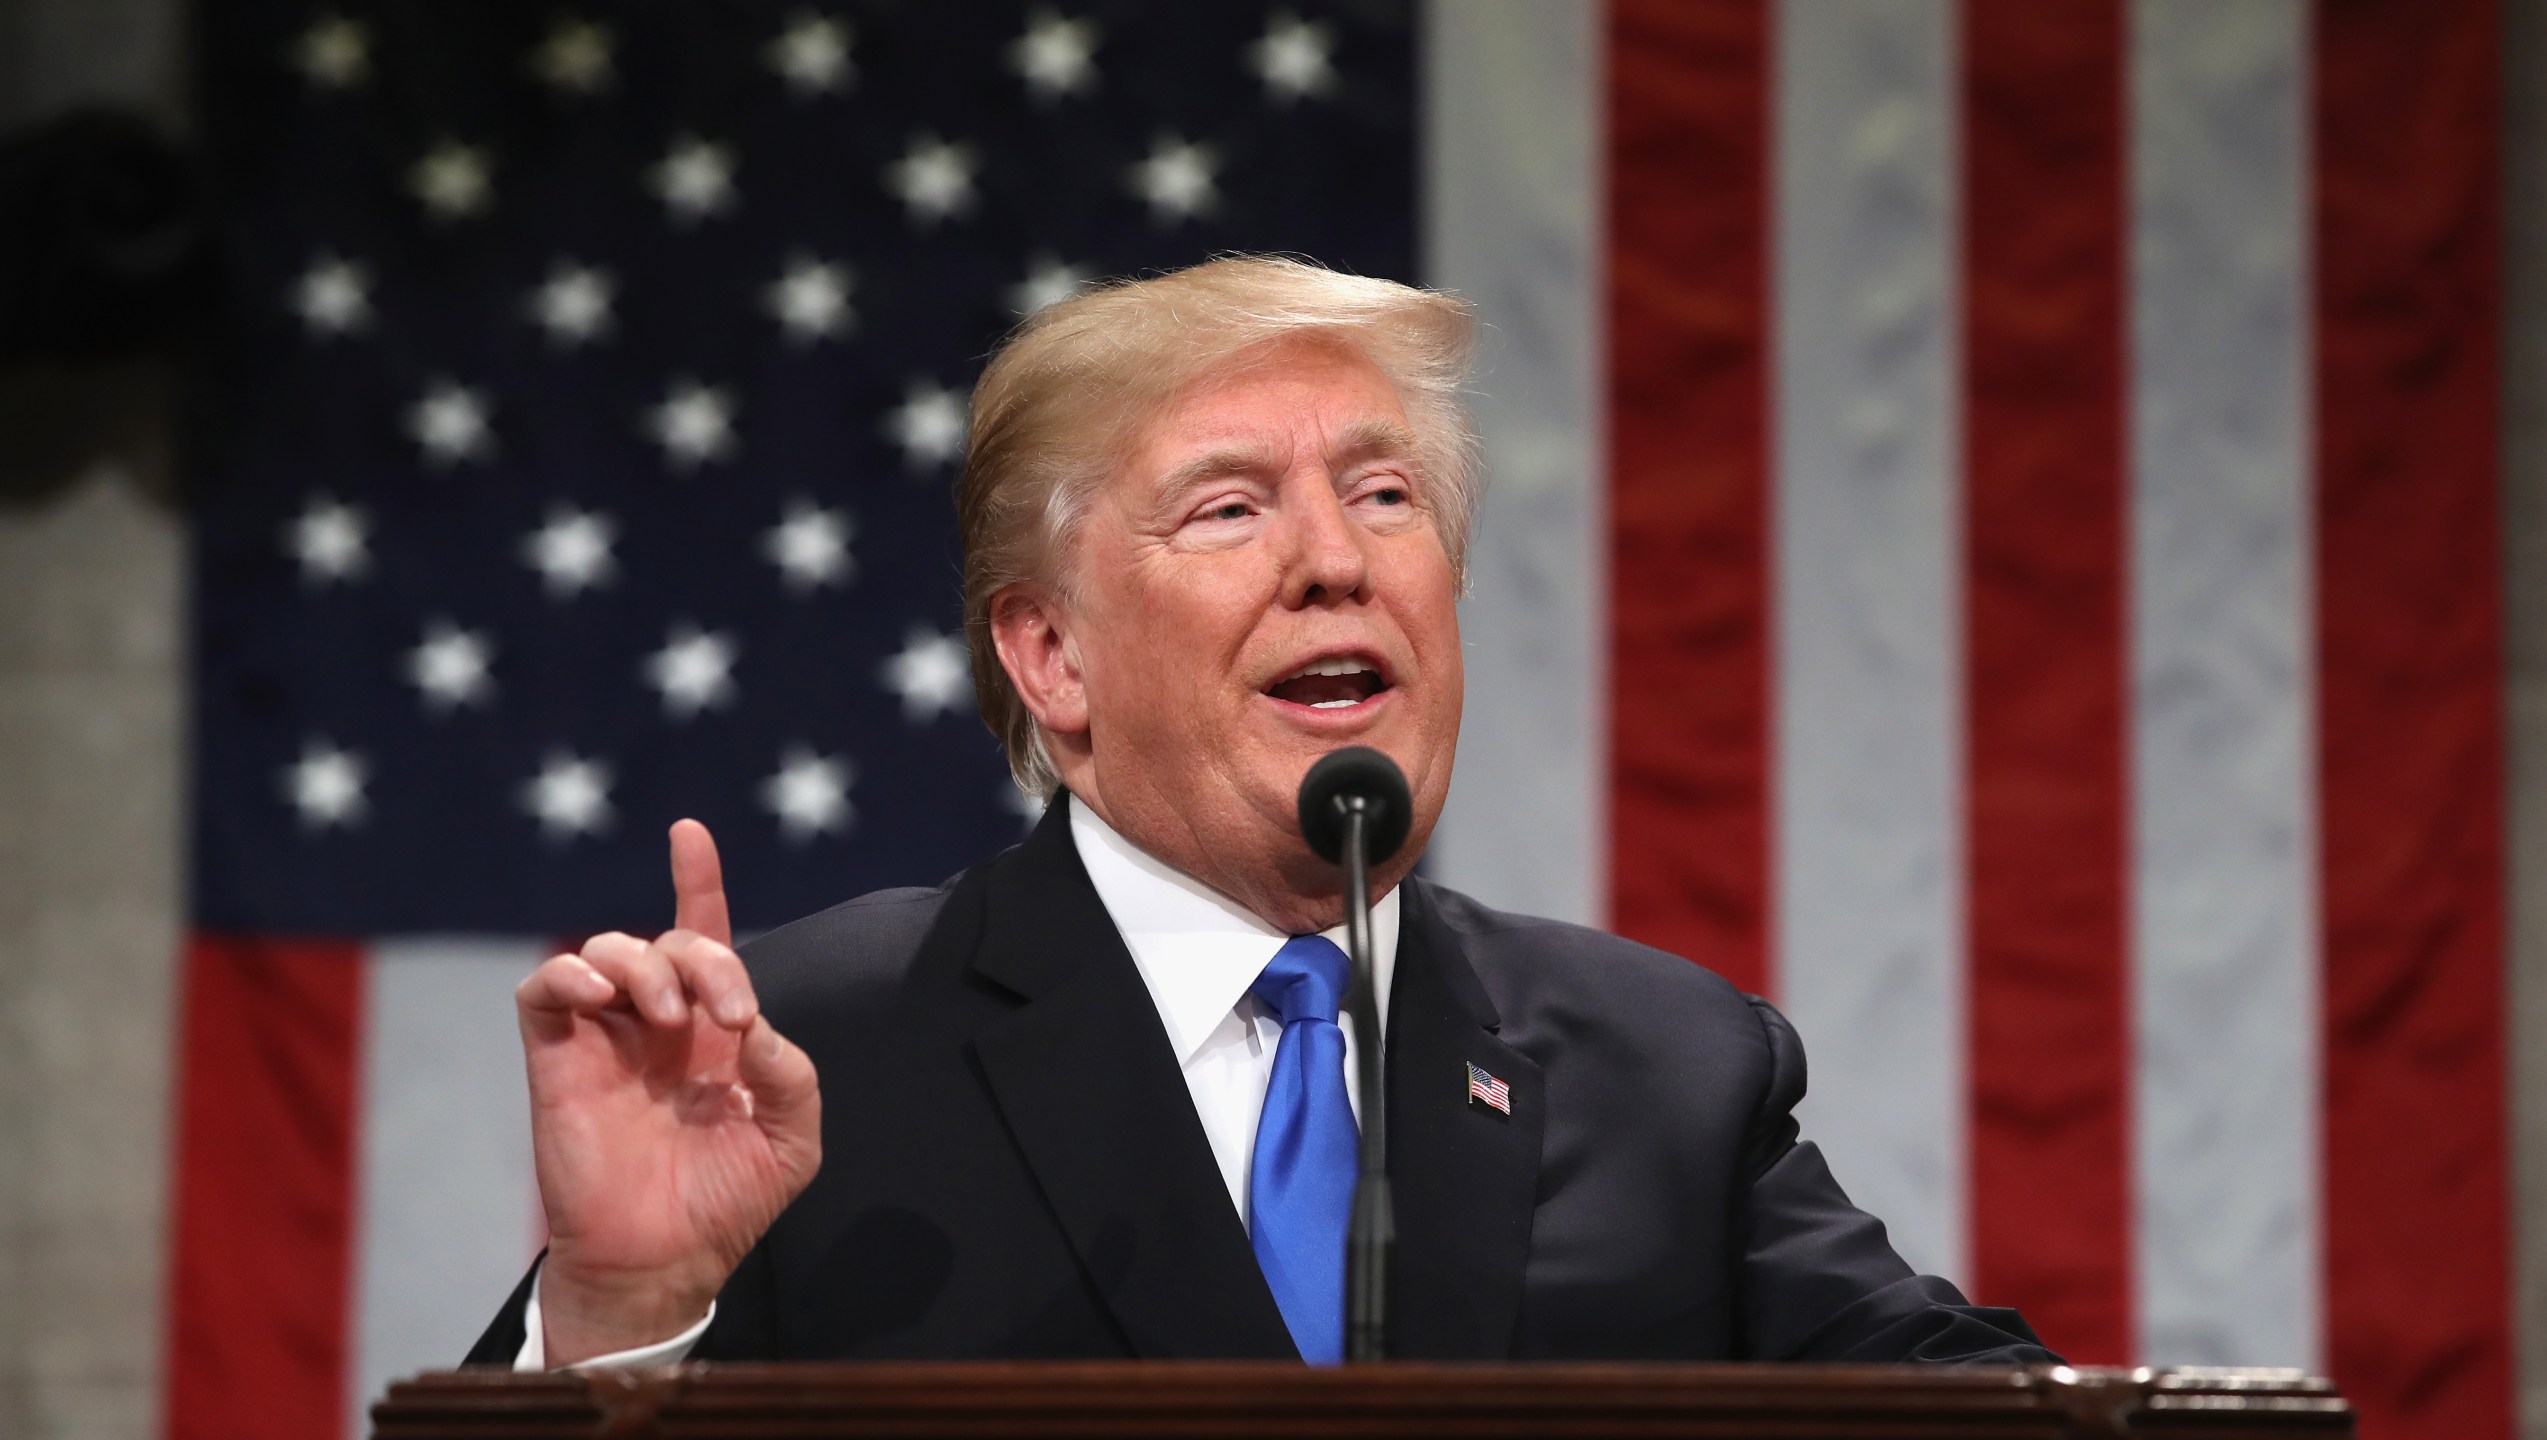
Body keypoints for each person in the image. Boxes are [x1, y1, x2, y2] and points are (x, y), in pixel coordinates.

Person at [466, 257, 2053, 1369]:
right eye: (1231, 507)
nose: (1336, 559)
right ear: (1053, 657)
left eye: (1385, 494)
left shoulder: (1662, 1065)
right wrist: (622, 1318)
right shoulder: (815, 1056)